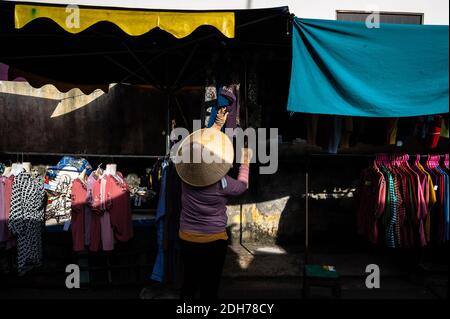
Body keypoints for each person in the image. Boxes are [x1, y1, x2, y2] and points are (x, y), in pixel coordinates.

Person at [176, 108, 252, 299]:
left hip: (187, 238)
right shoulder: (223, 184)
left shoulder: (186, 178)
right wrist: (245, 161)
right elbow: (242, 185)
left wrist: (217, 125)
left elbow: (201, 149)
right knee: (210, 287)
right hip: (214, 242)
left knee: (189, 283)